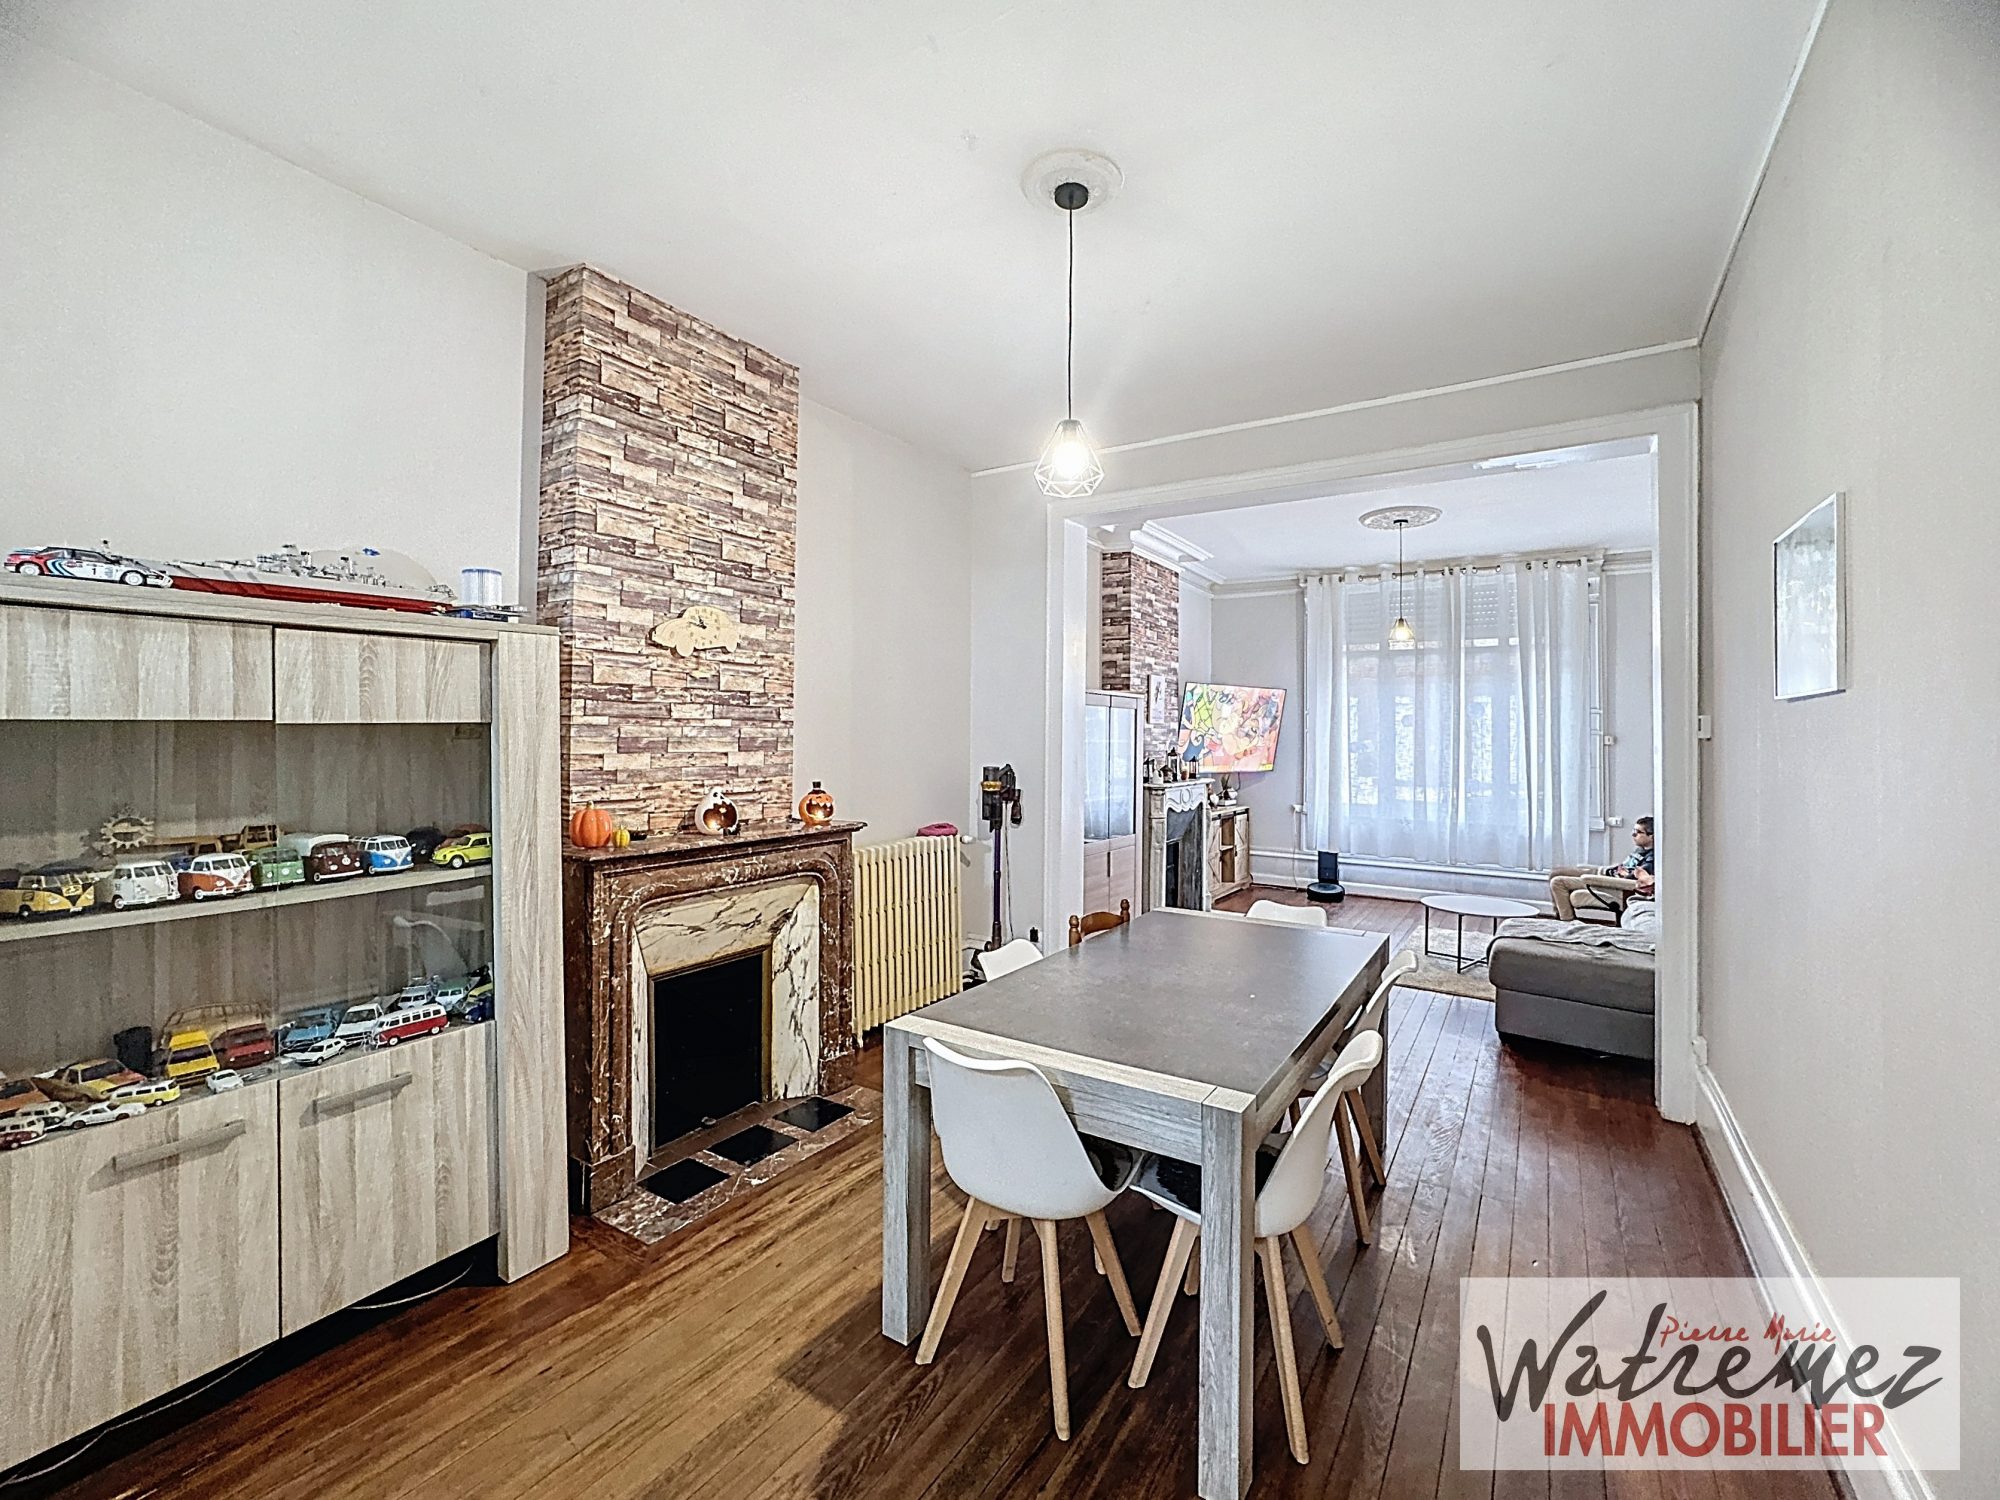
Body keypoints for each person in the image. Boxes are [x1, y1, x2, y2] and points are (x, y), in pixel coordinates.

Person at [1549, 816, 1654, 921]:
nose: (1633, 834)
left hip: (1610, 882)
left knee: (1557, 882)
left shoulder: (1652, 858)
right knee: (1556, 873)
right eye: (1634, 831)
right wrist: (1613, 870)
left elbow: (1636, 877)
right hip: (1606, 872)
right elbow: (1624, 867)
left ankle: (1567, 921)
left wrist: (1624, 874)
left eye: (1638, 832)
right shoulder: (1639, 850)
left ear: (1651, 836)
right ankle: (1559, 916)